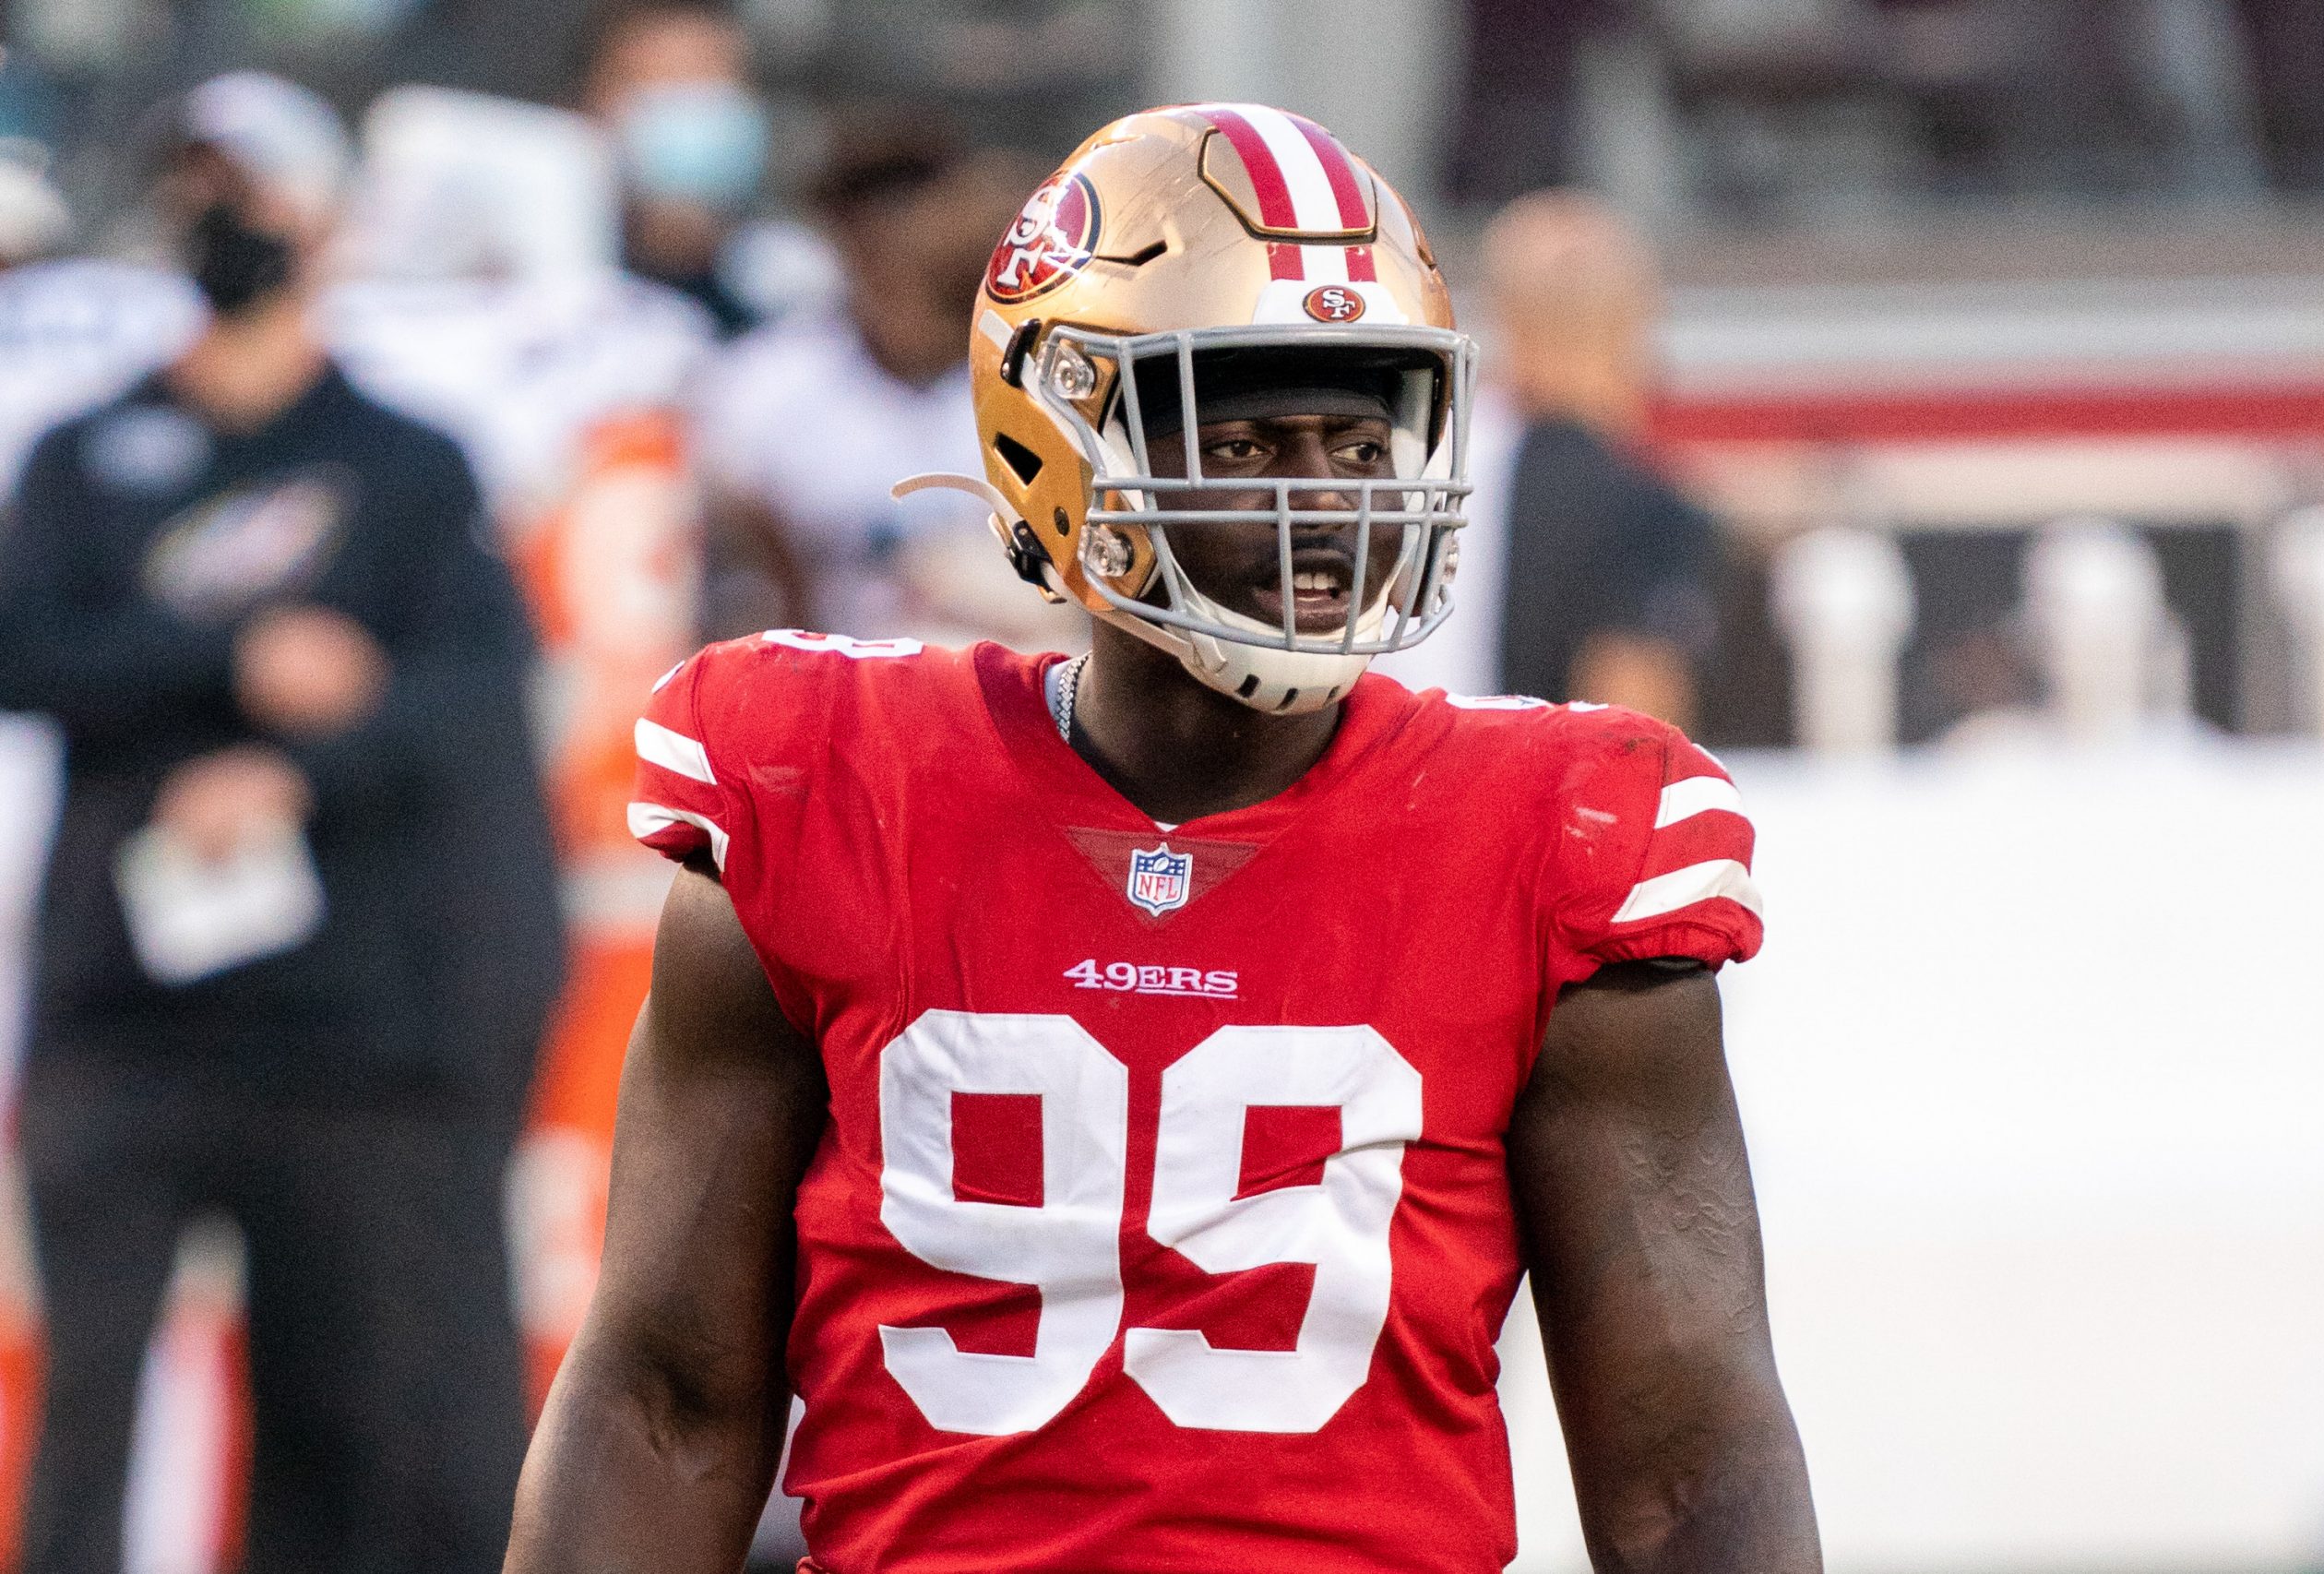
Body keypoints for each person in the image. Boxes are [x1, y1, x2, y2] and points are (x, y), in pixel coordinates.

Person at [508, 103, 1818, 1572]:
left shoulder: (1558, 833)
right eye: (1249, 434)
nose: (1326, 500)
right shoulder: (827, 788)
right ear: (1051, 442)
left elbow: (1689, 1462)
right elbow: (665, 1400)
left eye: (1361, 433)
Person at [0, 73, 560, 1573]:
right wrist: (230, 661)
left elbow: (470, 692)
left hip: (345, 1030)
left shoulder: (405, 460)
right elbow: (23, 643)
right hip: (124, 1014)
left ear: (321, 215)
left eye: (246, 185)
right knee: (89, 1434)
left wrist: (306, 765)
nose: (219, 216)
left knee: (354, 1425)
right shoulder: (84, 451)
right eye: (192, 184)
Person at [694, 117, 1075, 650]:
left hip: (1018, 688)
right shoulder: (760, 390)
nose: (894, 233)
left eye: (915, 202)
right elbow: (728, 602)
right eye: (869, 213)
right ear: (839, 233)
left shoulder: (1046, 380)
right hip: (834, 699)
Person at [1387, 191, 1719, 728]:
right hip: (1529, 802)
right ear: (1637, 325)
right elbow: (1630, 741)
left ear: (1505, 320)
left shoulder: (1408, 470)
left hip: (1394, 790)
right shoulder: (1644, 506)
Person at [580, 0, 774, 338]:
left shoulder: (796, 308)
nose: (695, 123)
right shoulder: (521, 314)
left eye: (714, 96)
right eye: (665, 95)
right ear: (590, 109)